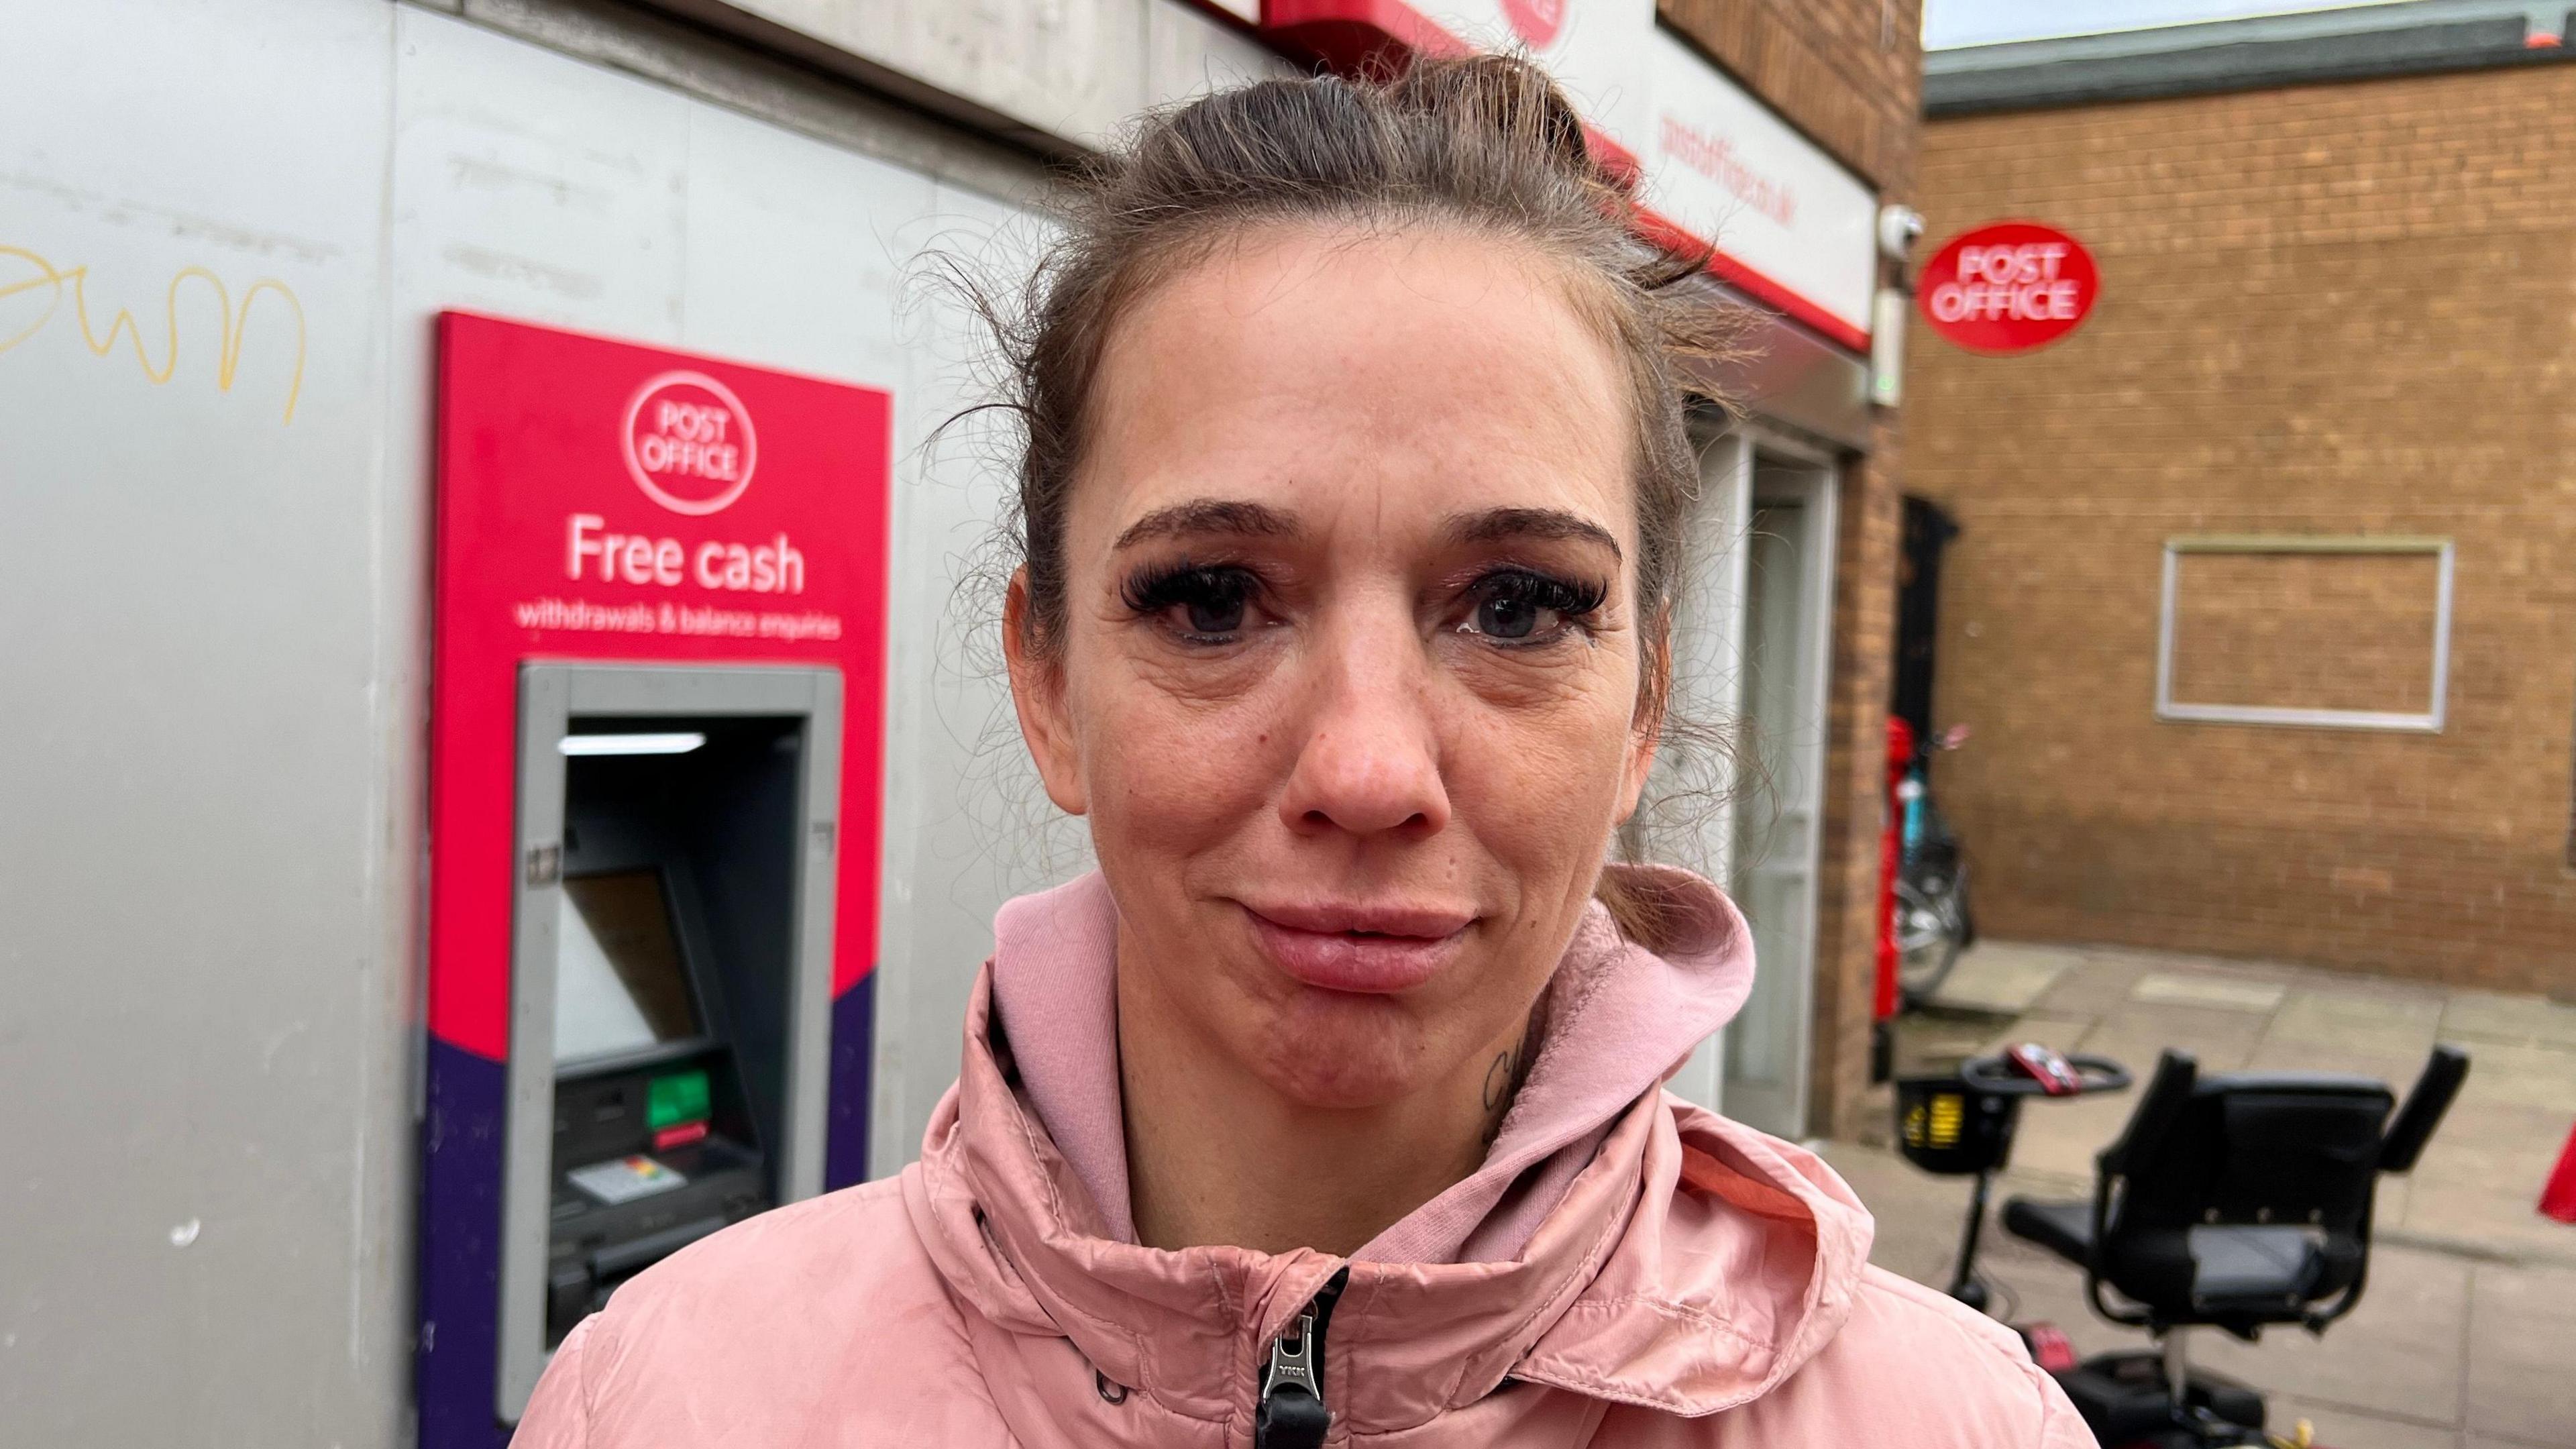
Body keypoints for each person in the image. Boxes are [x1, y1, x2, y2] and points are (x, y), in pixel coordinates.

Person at [515, 56, 2094, 1448]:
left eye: (1520, 606)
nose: (1365, 769)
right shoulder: (664, 1400)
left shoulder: (1962, 1426)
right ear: (1049, 678)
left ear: (1641, 710)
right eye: (1212, 599)